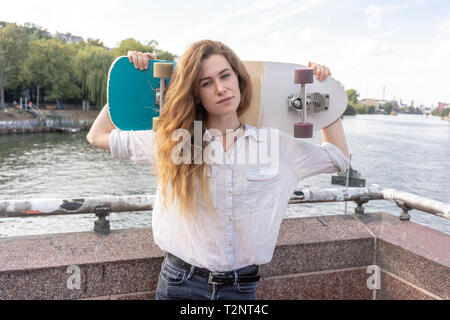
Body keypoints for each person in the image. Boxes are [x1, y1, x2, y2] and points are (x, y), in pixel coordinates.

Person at [87, 40, 350, 300]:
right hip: (180, 284)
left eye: (225, 76)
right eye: (206, 83)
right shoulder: (174, 141)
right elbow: (97, 136)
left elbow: (338, 158)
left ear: (239, 79)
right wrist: (135, 84)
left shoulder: (277, 144)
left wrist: (326, 97)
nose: (221, 88)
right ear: (196, 94)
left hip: (242, 287)